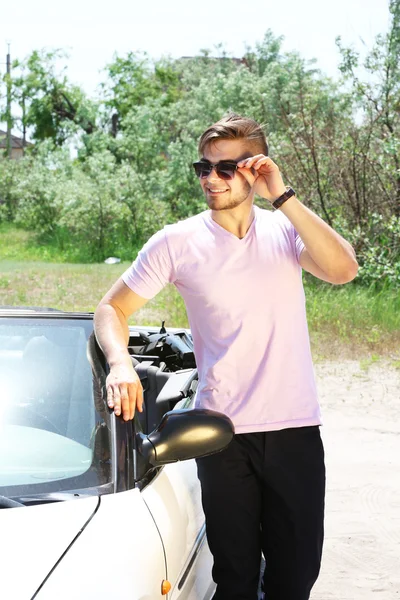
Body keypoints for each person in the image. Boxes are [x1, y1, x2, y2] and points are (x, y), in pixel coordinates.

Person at [94, 113, 358, 600]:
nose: (210, 179)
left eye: (225, 168)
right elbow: (111, 307)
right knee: (234, 579)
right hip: (223, 434)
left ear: (256, 170)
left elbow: (344, 269)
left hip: (295, 430)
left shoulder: (284, 230)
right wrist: (120, 362)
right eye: (203, 167)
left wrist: (282, 195)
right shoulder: (176, 242)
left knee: (295, 578)